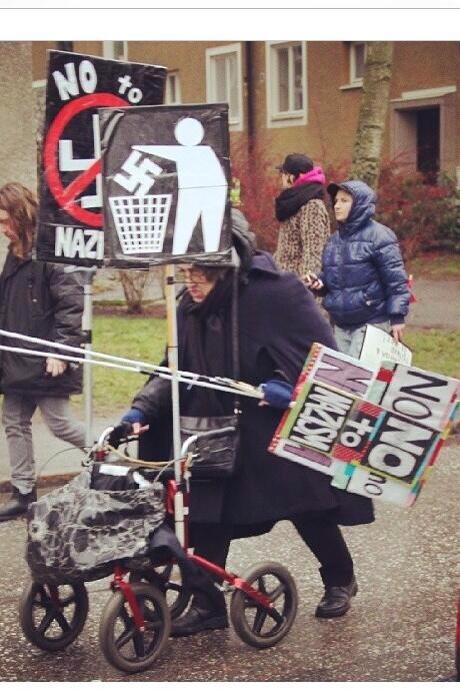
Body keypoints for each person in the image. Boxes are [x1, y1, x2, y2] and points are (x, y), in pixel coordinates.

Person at [112, 209, 374, 636]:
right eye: (184, 270)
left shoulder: (277, 295)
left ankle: (340, 577)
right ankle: (207, 603)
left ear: (227, 264)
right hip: (214, 426)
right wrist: (142, 409)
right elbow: (173, 369)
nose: (189, 279)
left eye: (198, 271)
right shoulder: (187, 307)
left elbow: (326, 360)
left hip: (272, 424)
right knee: (209, 514)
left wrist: (288, 387)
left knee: (308, 506)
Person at [0, 182, 86, 521]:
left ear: (21, 217)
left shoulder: (50, 249)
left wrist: (62, 351)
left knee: (61, 424)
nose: (3, 230)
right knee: (14, 421)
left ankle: (112, 460)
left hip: (47, 358)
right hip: (16, 357)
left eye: (6, 222)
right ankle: (23, 492)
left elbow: (70, 303)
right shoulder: (15, 253)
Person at [305, 180, 411, 358]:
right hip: (340, 325)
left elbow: (396, 280)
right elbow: (332, 277)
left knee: (358, 381)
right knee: (340, 382)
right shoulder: (333, 241)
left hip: (371, 323)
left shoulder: (380, 236)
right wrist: (319, 281)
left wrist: (397, 317)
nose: (337, 206)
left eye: (344, 201)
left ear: (360, 204)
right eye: (336, 201)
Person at [274, 153, 330, 280]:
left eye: (283, 173)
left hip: (298, 291)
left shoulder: (312, 206)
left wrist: (307, 294)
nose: (281, 177)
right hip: (286, 285)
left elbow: (314, 255)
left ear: (291, 177)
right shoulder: (293, 203)